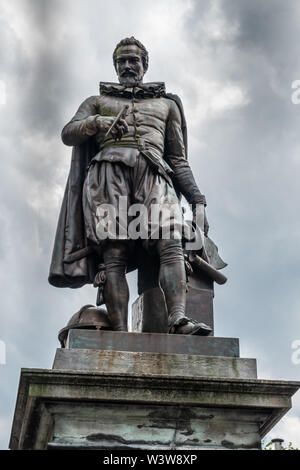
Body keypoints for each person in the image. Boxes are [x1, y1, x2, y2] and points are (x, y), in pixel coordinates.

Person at [49, 37, 211, 336]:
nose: (127, 66)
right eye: (121, 61)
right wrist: (97, 123)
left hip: (154, 174)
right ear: (115, 65)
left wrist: (197, 199)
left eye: (133, 60)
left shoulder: (166, 105)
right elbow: (68, 133)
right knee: (114, 253)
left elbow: (177, 158)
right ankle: (120, 332)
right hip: (108, 176)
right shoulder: (96, 102)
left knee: (171, 241)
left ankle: (178, 319)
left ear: (144, 65)